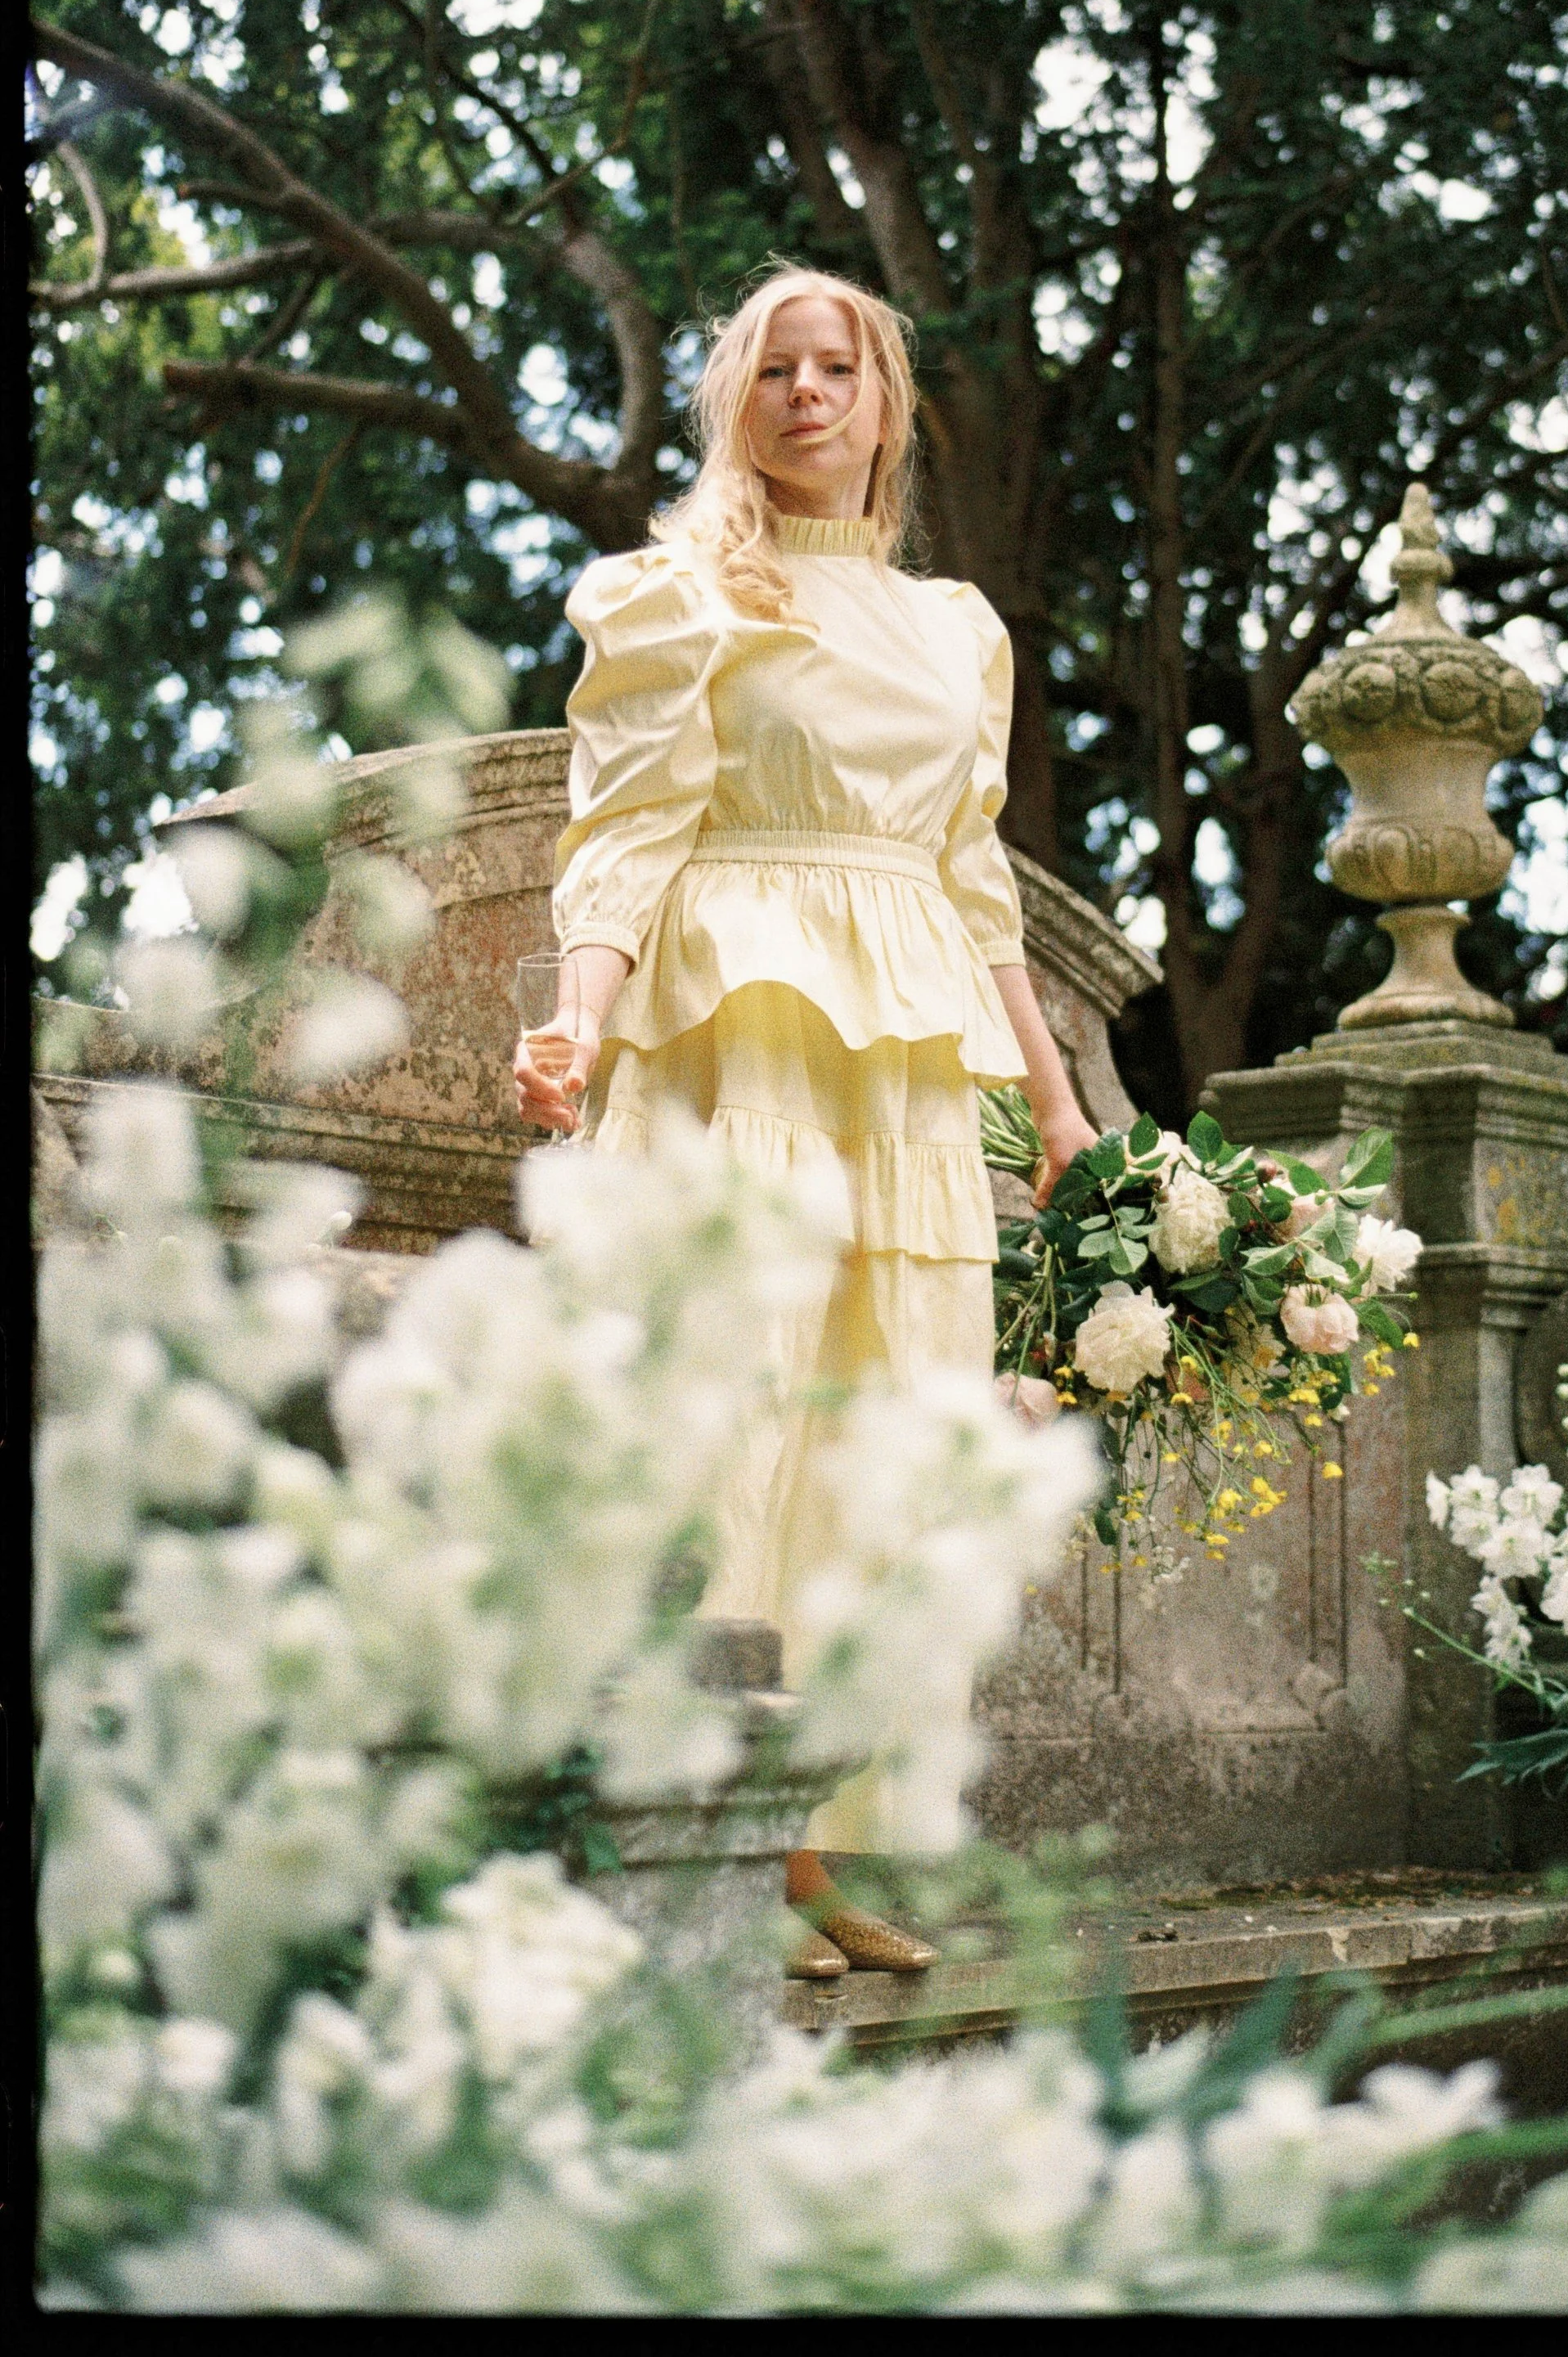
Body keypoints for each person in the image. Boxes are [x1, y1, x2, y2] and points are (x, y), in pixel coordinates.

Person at [513, 263, 1097, 1978]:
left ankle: (816, 1848)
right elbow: (619, 836)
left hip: (904, 1064)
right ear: (735, 403)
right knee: (737, 1421)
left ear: (886, 402)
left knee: (885, 1436)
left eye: (838, 365)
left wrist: (1058, 1108)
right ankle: (702, 1835)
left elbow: (973, 879)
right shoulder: (678, 596)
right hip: (737, 1035)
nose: (808, 391)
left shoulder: (956, 631)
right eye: (774, 367)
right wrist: (574, 1016)